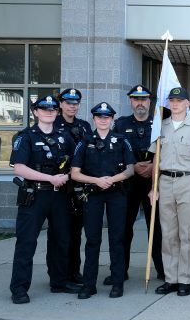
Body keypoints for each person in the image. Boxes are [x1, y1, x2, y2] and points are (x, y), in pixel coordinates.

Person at [9, 95, 79, 304]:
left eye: (53, 109)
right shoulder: (26, 136)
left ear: (57, 112)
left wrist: (66, 176)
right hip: (35, 194)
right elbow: (19, 167)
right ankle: (19, 288)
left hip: (59, 195)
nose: (49, 112)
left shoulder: (64, 136)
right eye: (44, 109)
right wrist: (51, 178)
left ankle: (59, 282)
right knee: (27, 242)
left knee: (61, 240)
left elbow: (75, 163)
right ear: (36, 111)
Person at [70, 102, 135, 299]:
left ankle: (117, 283)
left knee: (117, 238)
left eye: (107, 117)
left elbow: (131, 170)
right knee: (92, 240)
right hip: (93, 194)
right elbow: (74, 173)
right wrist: (97, 181)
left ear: (112, 119)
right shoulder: (84, 141)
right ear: (94, 119)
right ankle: (89, 284)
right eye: (99, 117)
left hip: (116, 193)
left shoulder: (122, 140)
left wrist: (110, 181)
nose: (103, 120)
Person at [149, 87, 190, 297]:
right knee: (168, 234)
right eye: (172, 100)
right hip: (165, 182)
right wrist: (153, 188)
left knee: (186, 233)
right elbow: (156, 159)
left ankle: (184, 279)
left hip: (188, 181)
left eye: (179, 100)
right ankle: (170, 279)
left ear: (187, 103)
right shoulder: (160, 127)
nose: (175, 104)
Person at [113, 85, 164, 284]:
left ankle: (161, 269)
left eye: (144, 99)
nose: (140, 103)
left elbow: (167, 149)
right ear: (131, 102)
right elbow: (115, 151)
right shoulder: (120, 124)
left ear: (150, 102)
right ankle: (120, 270)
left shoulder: (159, 124)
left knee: (157, 229)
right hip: (129, 183)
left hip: (153, 182)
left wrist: (154, 166)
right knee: (124, 228)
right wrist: (132, 167)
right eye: (136, 99)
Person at [55, 88, 93, 285]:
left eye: (75, 103)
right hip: (59, 186)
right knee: (60, 233)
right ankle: (59, 275)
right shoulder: (52, 125)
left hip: (79, 187)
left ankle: (74, 271)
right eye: (68, 102)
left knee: (76, 232)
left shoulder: (85, 126)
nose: (72, 106)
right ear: (60, 104)